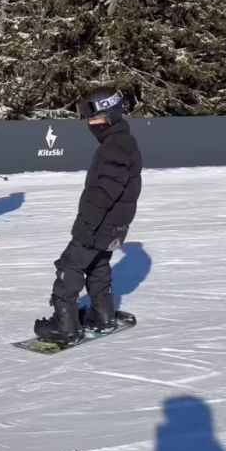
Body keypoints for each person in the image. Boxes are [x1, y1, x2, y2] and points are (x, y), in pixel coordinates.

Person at [34, 86, 142, 345]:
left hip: (99, 222)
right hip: (115, 224)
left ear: (111, 115)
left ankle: (65, 326)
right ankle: (102, 316)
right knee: (98, 265)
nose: (91, 125)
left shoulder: (115, 146)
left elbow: (105, 191)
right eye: (89, 119)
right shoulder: (121, 141)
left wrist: (85, 224)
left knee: (69, 266)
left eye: (96, 119)